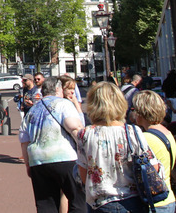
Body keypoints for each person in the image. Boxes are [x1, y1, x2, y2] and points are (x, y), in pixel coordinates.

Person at [76, 81, 158, 212]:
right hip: (132, 202)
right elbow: (152, 165)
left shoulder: (85, 134)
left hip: (101, 203)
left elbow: (83, 173)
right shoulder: (132, 131)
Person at [19, 77, 85, 213]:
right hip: (64, 157)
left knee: (45, 203)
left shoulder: (31, 111)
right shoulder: (63, 104)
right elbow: (74, 128)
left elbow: (24, 141)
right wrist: (84, 153)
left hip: (38, 160)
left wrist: (28, 164)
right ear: (57, 89)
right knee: (77, 199)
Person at [133, 90, 176, 213]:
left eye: (134, 110)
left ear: (141, 112)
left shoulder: (146, 138)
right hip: (168, 198)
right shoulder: (167, 133)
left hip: (155, 203)